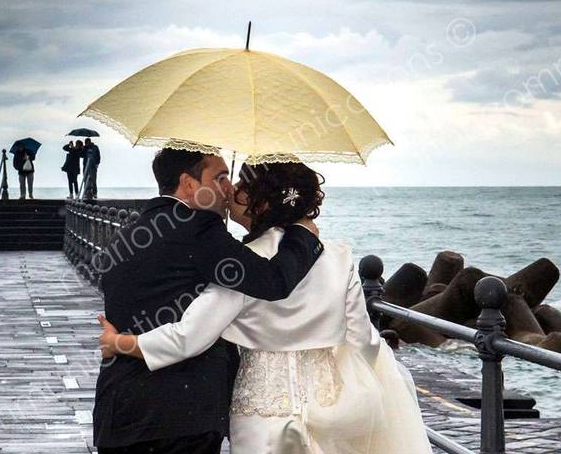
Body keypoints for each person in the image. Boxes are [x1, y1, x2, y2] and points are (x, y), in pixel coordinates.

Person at [98, 161, 431, 454]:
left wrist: (121, 343)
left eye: (240, 186)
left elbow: (189, 336)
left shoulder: (242, 265)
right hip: (330, 403)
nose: (230, 194)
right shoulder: (339, 255)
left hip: (260, 408)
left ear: (262, 201)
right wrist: (363, 389)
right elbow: (363, 339)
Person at [92, 147, 325, 454]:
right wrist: (304, 234)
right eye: (221, 178)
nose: (230, 189)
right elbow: (273, 280)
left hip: (119, 413)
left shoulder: (130, 234)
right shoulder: (199, 228)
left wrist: (119, 341)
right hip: (180, 418)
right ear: (189, 184)